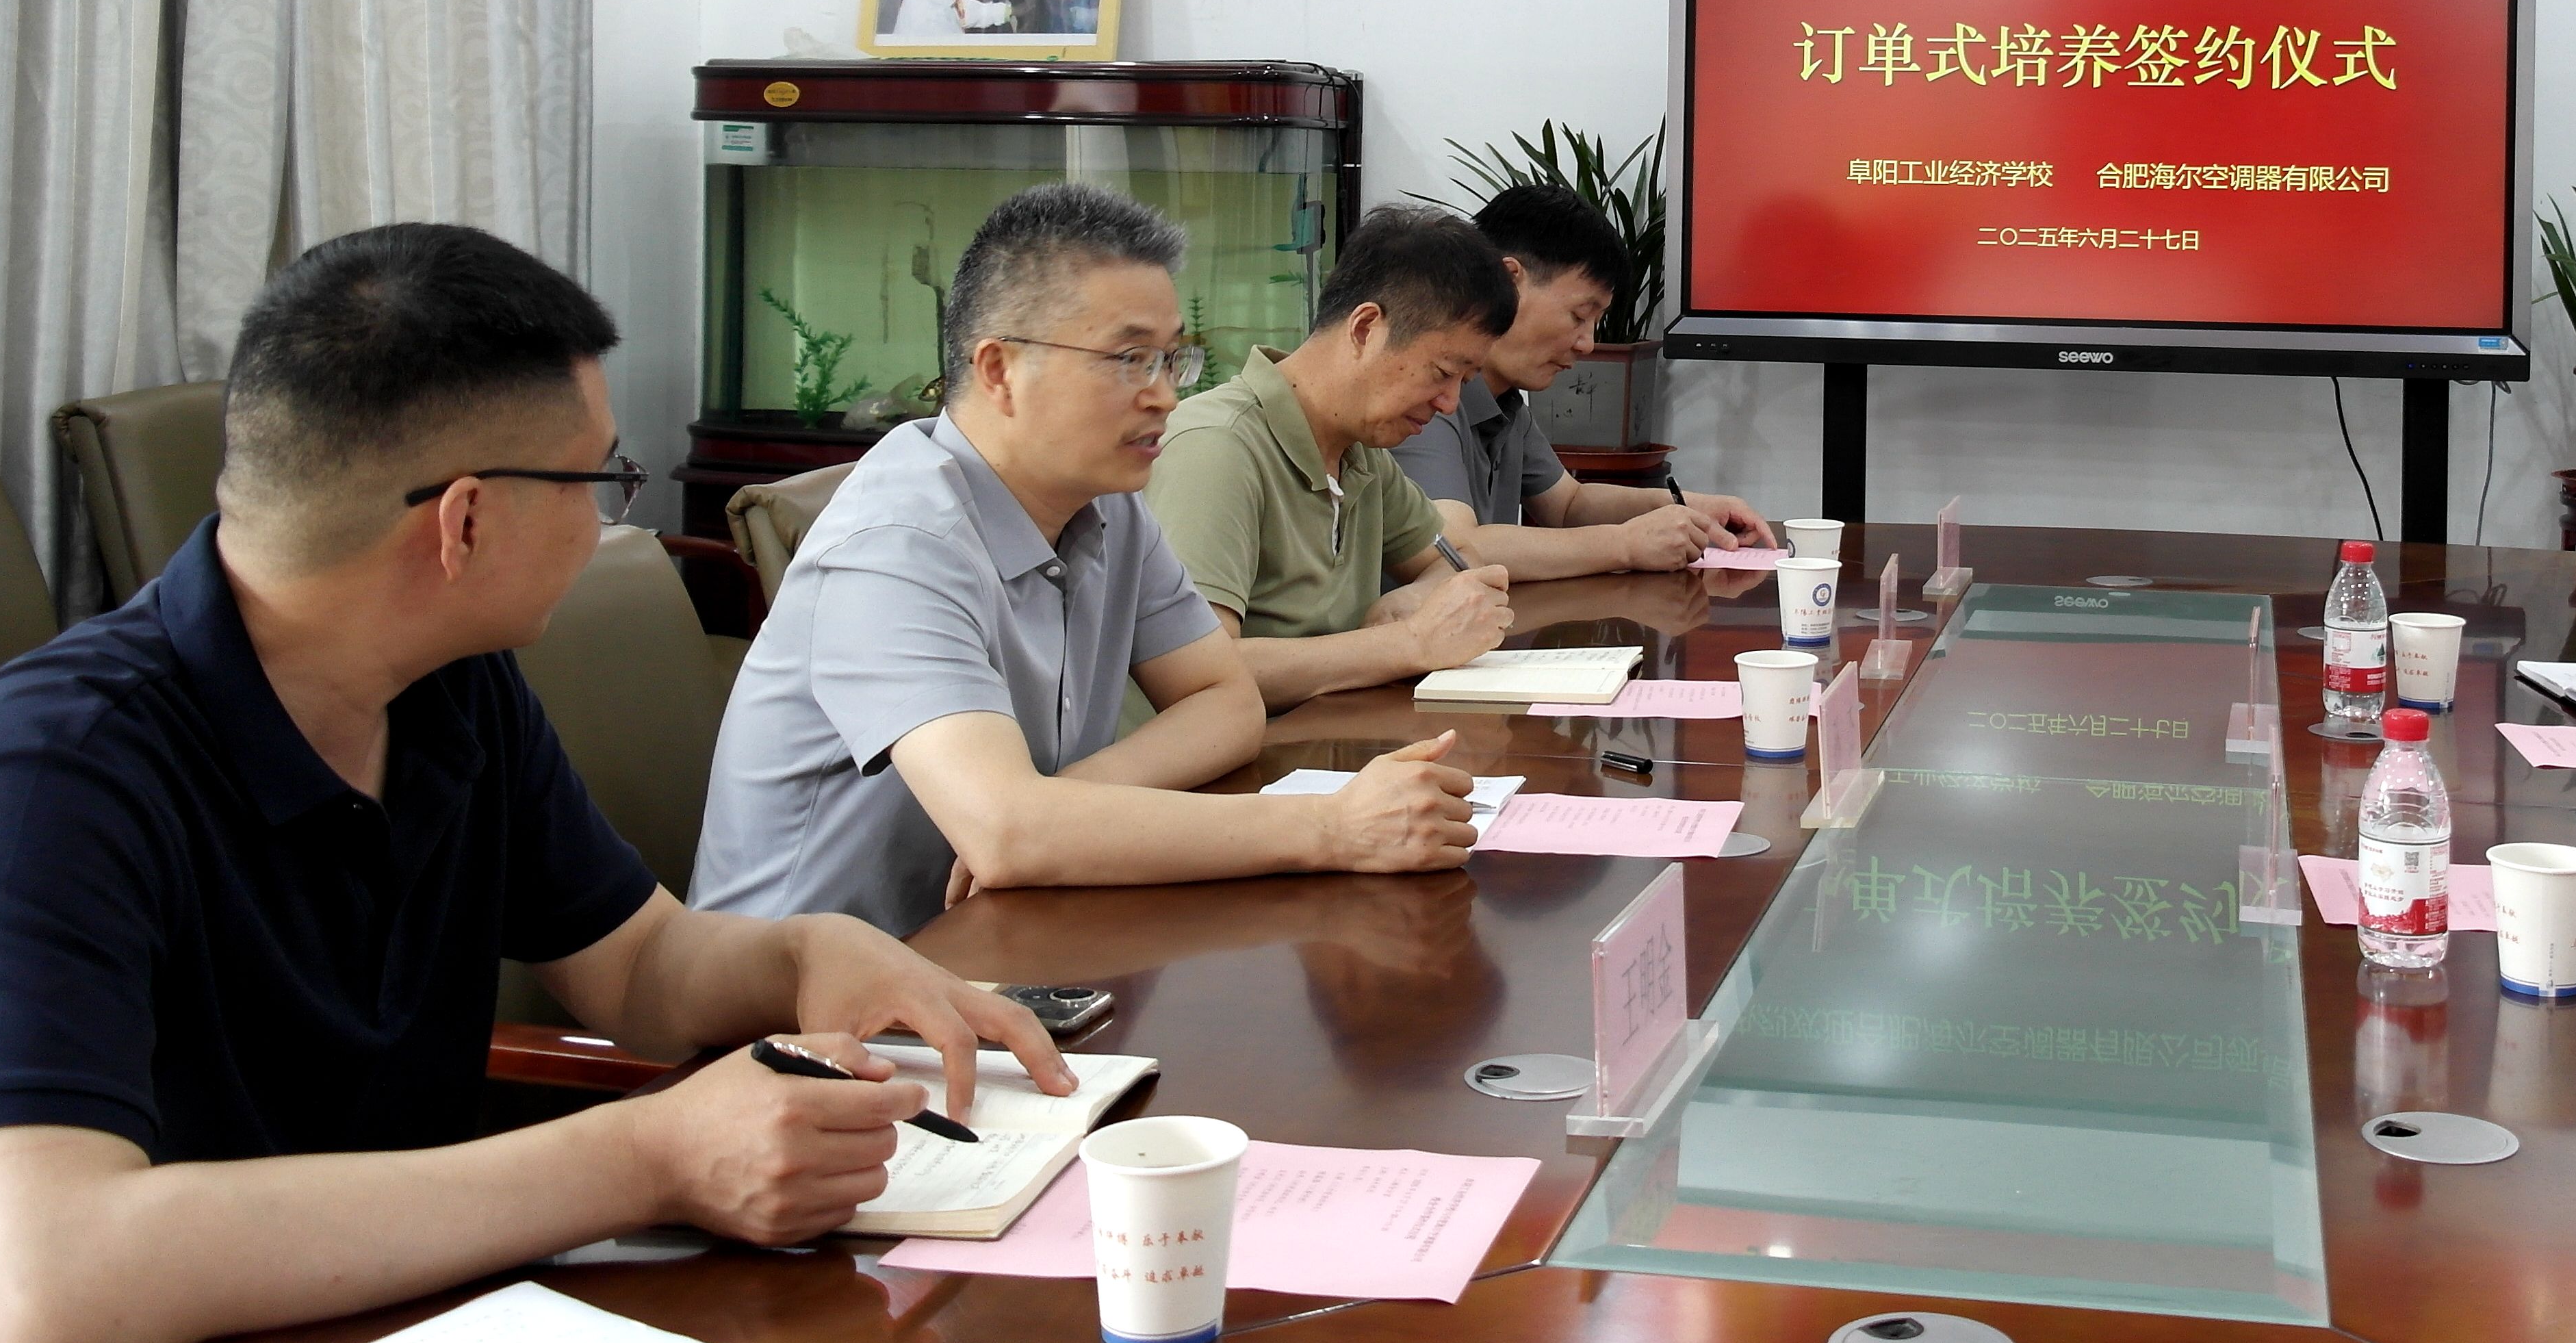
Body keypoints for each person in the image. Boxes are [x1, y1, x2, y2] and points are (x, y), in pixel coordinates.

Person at [0, 225, 1072, 1343]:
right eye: (601, 482)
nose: (610, 522)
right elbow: (54, 1289)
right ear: (464, 522)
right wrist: (647, 1157)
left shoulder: (449, 687)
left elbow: (638, 966)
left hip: (396, 1342)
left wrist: (803, 953)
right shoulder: (43, 781)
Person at [692, 183, 1477, 936]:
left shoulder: (1109, 505)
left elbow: (1226, 701)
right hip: (809, 996)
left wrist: (1060, 805)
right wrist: (1334, 827)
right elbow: (1006, 835)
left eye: (1172, 359)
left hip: (1000, 941)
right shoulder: (896, 546)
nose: (1165, 395)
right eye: (1130, 359)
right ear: (999, 370)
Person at [1146, 207, 1517, 707]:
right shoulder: (1217, 447)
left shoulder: (1360, 453)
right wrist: (1410, 642)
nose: (1450, 403)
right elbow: (1198, 672)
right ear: (1365, 328)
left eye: (1464, 382)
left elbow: (1457, 557)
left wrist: (1412, 600)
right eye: (1443, 372)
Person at [1393, 181, 1775, 576]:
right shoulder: (1429, 396)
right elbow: (1453, 548)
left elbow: (1567, 505)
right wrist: (1625, 545)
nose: (1587, 344)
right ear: (1508, 281)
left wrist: (1686, 507)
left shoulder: (1505, 402)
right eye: (1579, 316)